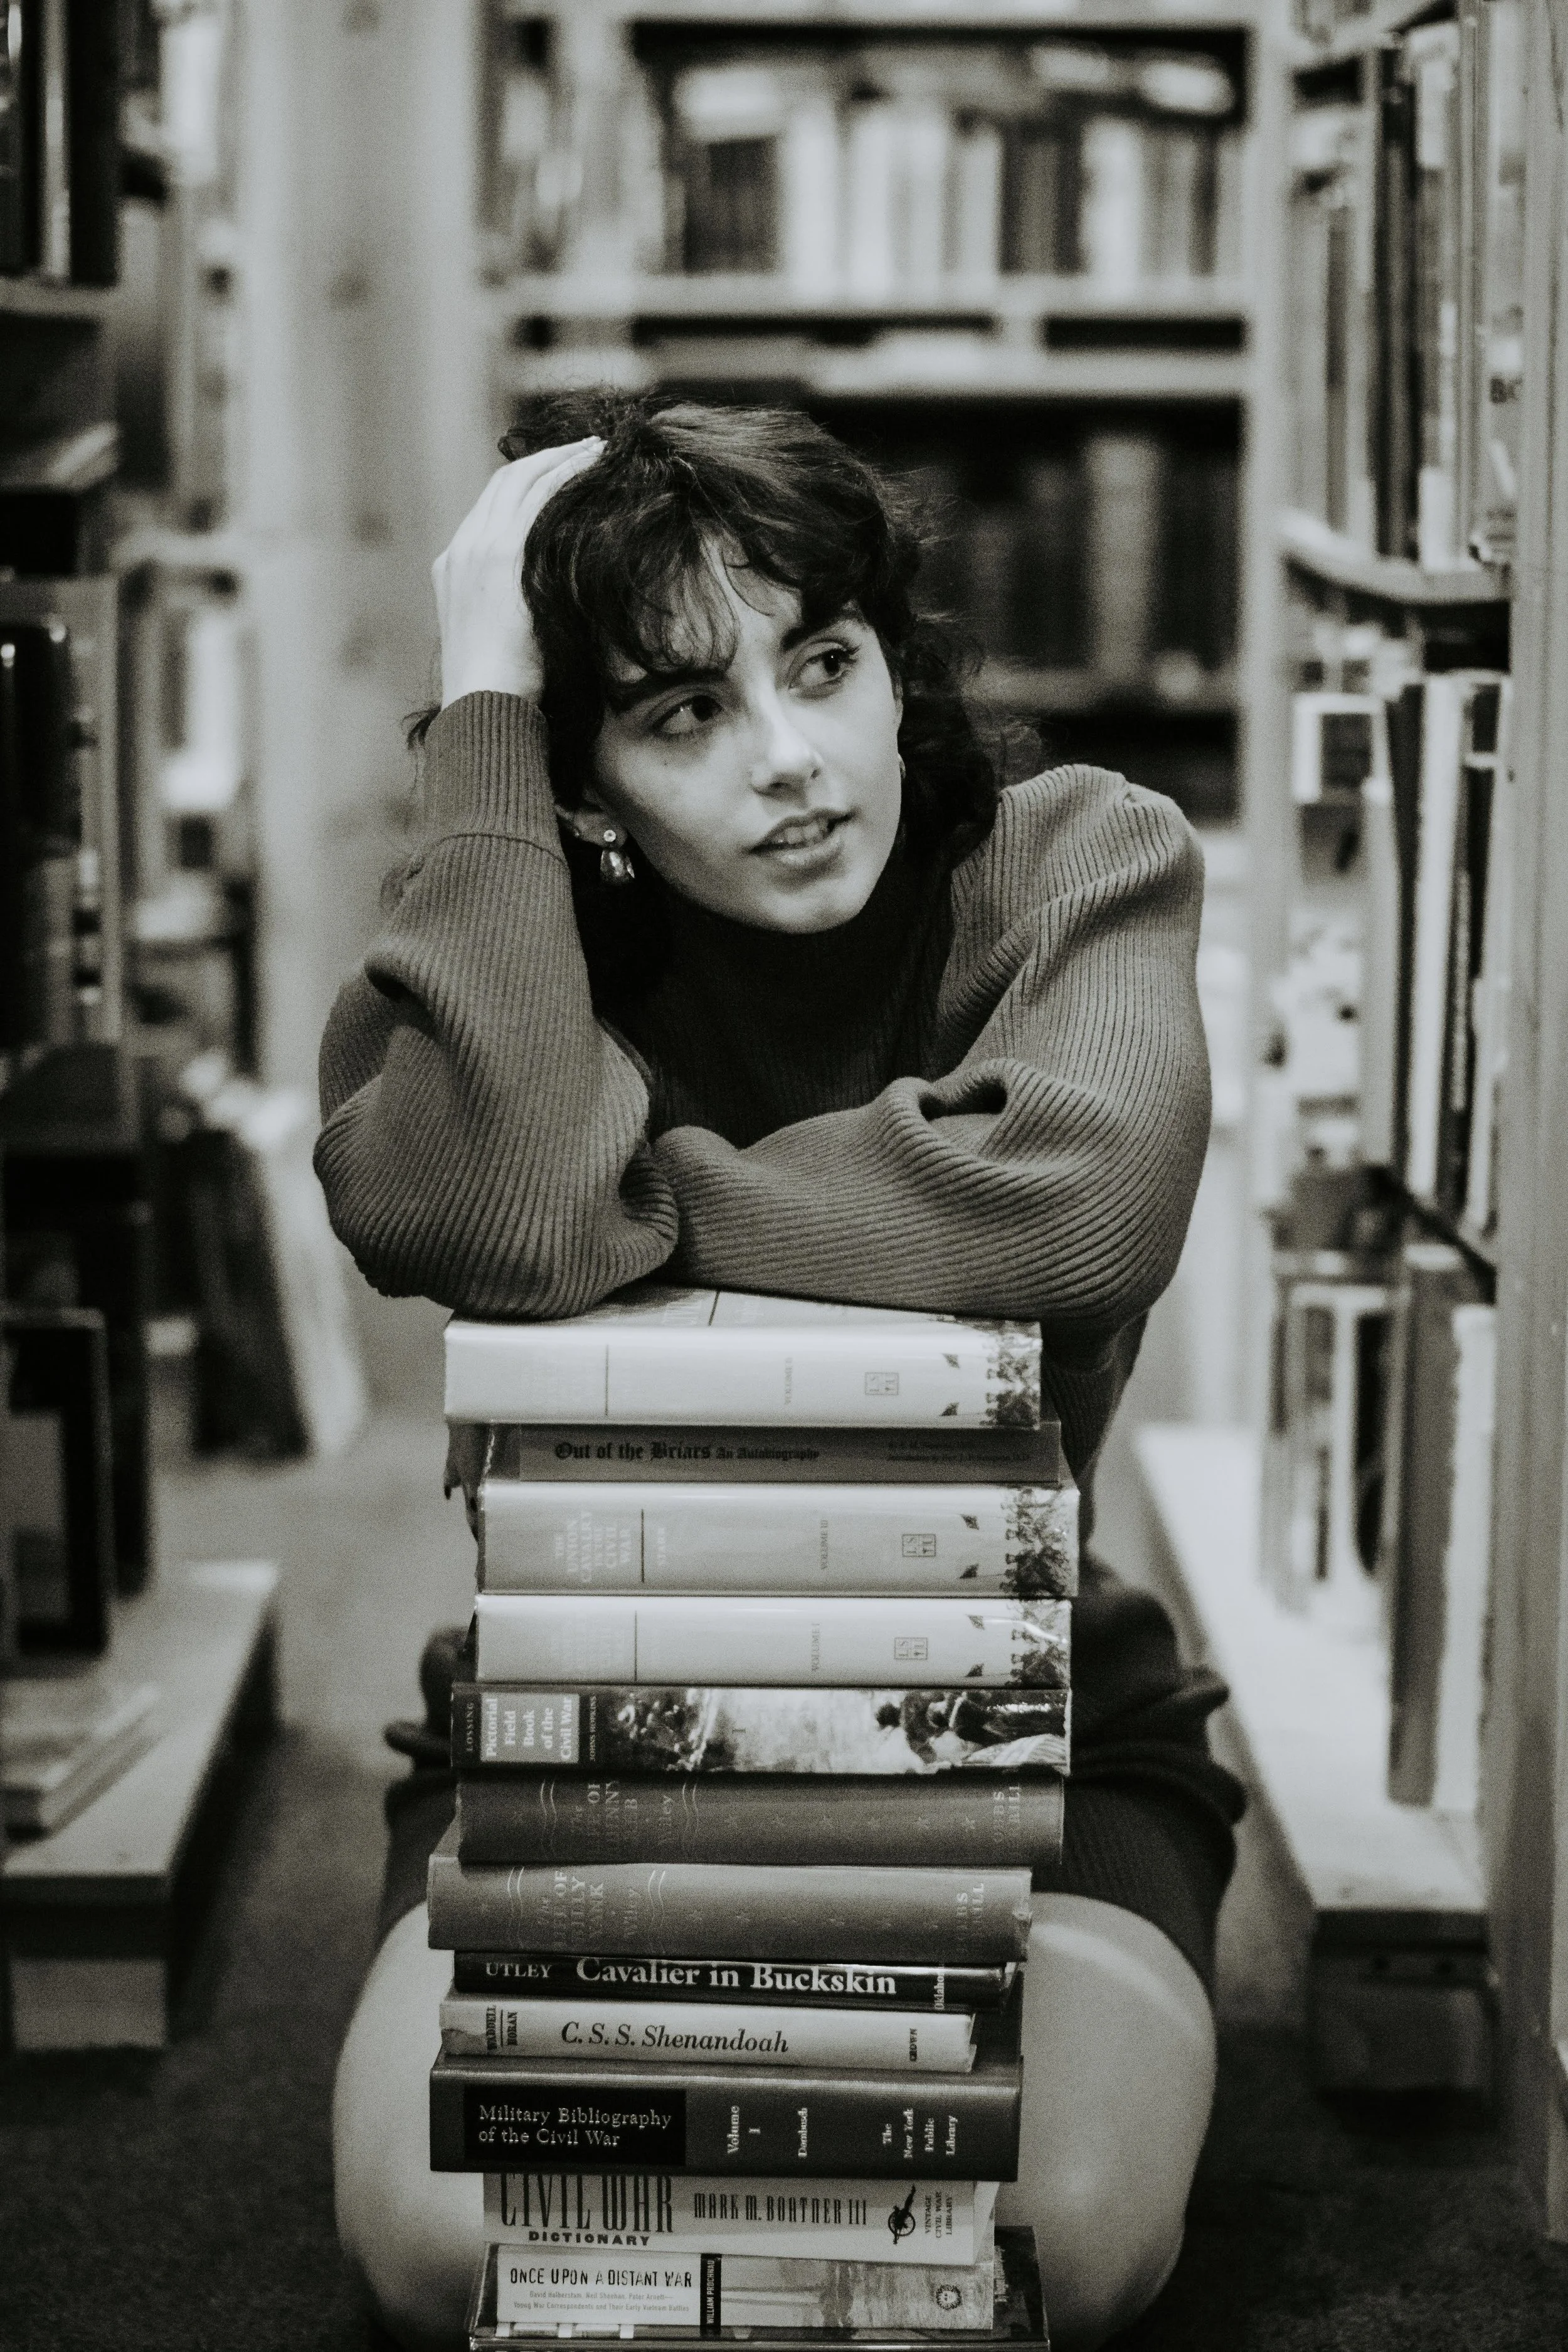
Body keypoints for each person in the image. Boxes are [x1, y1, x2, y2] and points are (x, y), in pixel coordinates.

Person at [316, 395, 1244, 2352]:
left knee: (1034, 2246)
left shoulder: (1082, 856)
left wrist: (624, 1196)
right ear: (576, 783)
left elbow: (1074, 1211)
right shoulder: (499, 955)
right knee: (452, 2248)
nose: (793, 759)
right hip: (577, 1732)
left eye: (820, 664)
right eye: (680, 713)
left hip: (1034, 1732)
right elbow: (471, 1205)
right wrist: (483, 730)